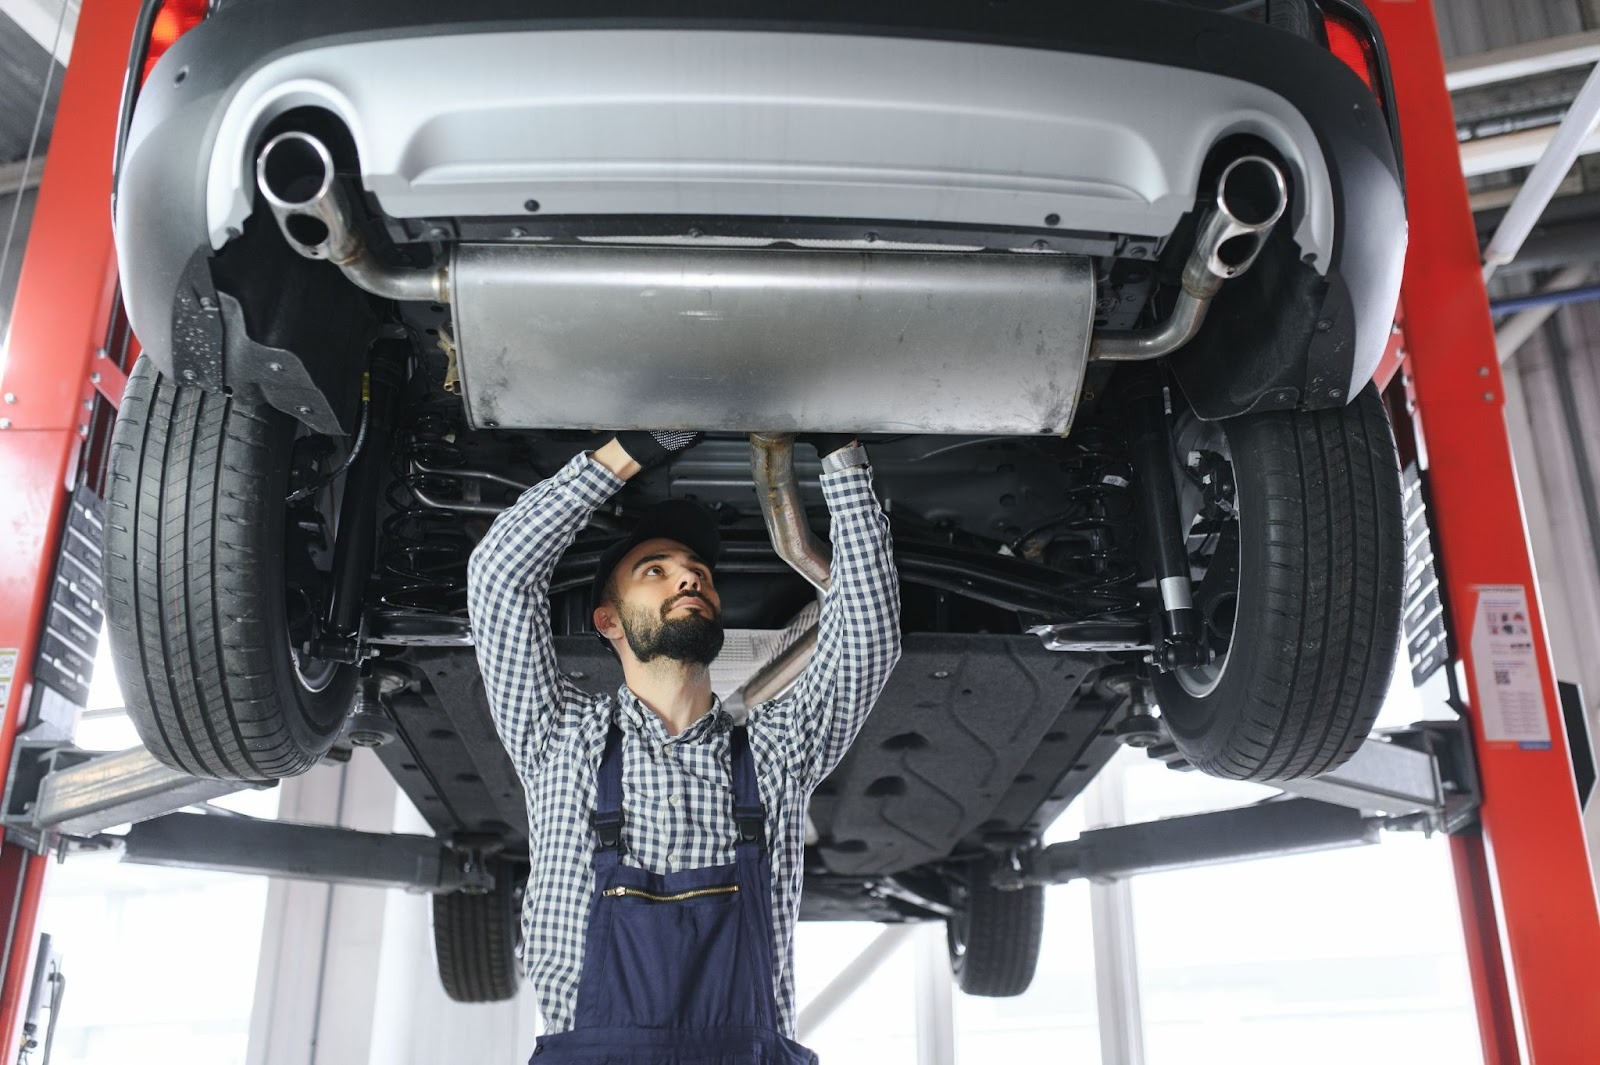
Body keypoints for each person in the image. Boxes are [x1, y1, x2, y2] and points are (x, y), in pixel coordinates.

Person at [467, 429, 901, 1063]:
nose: (690, 580)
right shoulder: (557, 740)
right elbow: (500, 574)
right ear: (608, 621)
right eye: (656, 572)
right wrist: (636, 446)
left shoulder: (778, 753)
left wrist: (841, 458)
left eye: (699, 574)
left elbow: (868, 634)